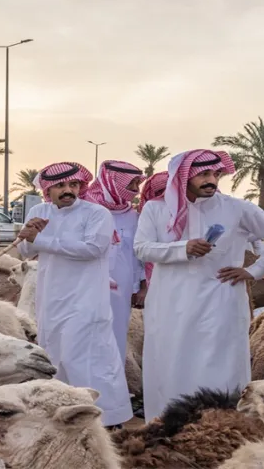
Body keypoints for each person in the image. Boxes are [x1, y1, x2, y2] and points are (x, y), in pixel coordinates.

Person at [135, 149, 264, 421]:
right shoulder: (156, 209)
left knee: (220, 366)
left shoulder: (236, 208)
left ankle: (223, 429)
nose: (212, 180)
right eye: (204, 174)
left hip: (220, 302)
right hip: (171, 303)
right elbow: (142, 248)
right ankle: (168, 428)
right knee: (170, 365)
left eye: (216, 174)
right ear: (184, 177)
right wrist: (184, 248)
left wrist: (254, 271)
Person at [18, 161, 133, 428]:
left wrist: (40, 240)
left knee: (88, 357)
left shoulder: (96, 213)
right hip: (51, 299)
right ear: (48, 189)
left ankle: (107, 418)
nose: (68, 190)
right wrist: (29, 235)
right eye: (60, 186)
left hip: (86, 300)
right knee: (56, 356)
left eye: (73, 185)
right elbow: (24, 251)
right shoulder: (38, 210)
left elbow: (92, 248)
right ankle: (65, 414)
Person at [82, 160, 146, 363]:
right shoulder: (85, 210)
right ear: (113, 183)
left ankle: (113, 385)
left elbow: (139, 256)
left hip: (122, 287)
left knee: (116, 332)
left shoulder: (134, 216)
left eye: (138, 184)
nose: (136, 191)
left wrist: (141, 286)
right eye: (131, 184)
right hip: (84, 284)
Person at [137, 171, 168, 295]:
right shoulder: (148, 212)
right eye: (159, 192)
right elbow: (141, 251)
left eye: (167, 190)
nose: (163, 195)